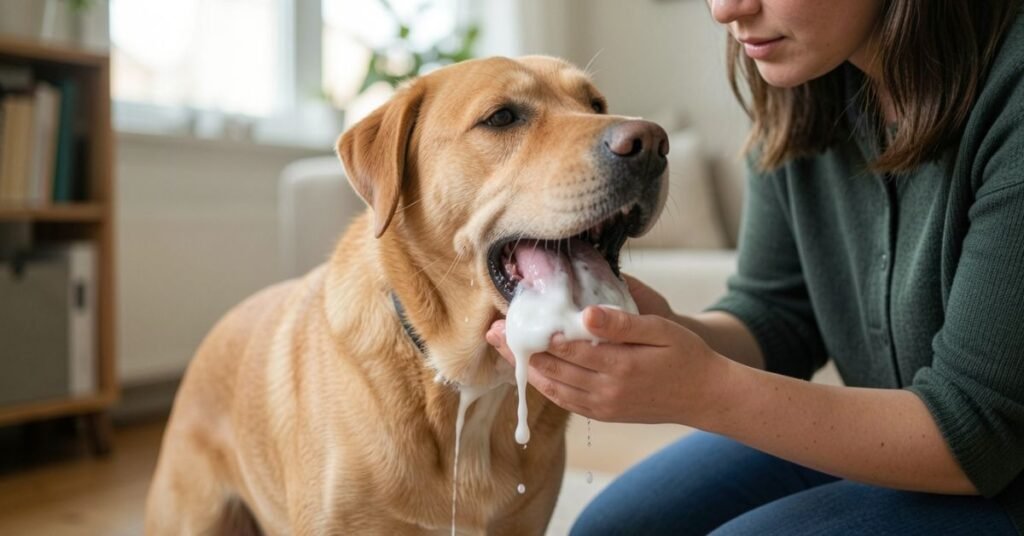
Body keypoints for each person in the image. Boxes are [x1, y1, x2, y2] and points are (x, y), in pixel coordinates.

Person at [485, 0, 1024, 534]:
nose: (725, 10)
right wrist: (666, 331)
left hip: (998, 474)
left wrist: (702, 391)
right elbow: (777, 310)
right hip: (913, 440)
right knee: (615, 528)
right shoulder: (805, 84)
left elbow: (978, 433)